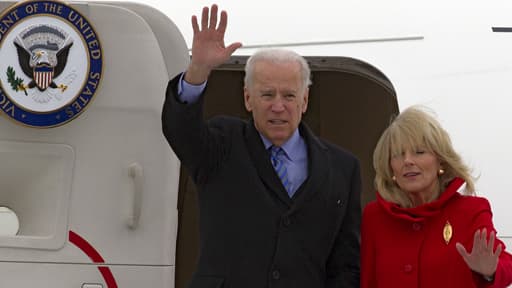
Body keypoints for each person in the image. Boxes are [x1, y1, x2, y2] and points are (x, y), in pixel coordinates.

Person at [161, 4, 361, 288]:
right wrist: (198, 70)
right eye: (267, 94)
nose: (278, 106)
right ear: (247, 98)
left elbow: (345, 265)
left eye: (289, 95)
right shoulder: (221, 144)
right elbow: (181, 131)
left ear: (304, 101)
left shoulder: (343, 167)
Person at [361, 106, 512, 288]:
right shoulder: (374, 217)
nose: (407, 160)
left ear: (440, 160)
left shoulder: (471, 211)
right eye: (398, 154)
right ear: (390, 166)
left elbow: (505, 264)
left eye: (419, 152)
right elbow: (366, 281)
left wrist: (489, 272)